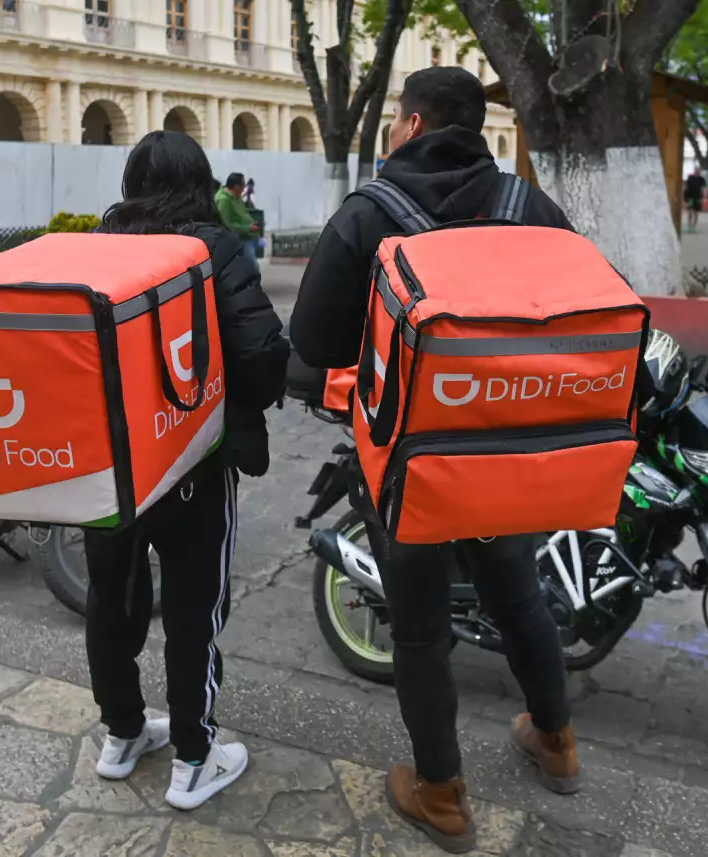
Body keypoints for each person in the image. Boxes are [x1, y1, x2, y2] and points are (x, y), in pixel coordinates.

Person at [290, 66, 577, 854]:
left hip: (413, 461)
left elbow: (311, 347)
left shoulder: (369, 214)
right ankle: (555, 742)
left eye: (393, 121)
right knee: (519, 595)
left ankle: (442, 794)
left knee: (417, 629)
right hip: (511, 452)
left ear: (412, 126)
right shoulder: (531, 207)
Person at [86, 132, 288, 810]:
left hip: (111, 469)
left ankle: (120, 734)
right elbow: (261, 346)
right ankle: (194, 757)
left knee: (112, 601)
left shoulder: (99, 246)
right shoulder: (210, 247)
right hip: (193, 461)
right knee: (193, 610)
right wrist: (240, 406)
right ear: (201, 180)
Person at [215, 173, 262, 264]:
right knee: (252, 266)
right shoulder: (224, 200)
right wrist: (247, 228)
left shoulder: (237, 196)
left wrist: (252, 224)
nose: (245, 187)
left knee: (250, 264)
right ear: (236, 186)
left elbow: (243, 214)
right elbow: (226, 224)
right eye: (243, 185)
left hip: (248, 235)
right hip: (239, 238)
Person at [683, 167, 707, 232]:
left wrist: (704, 197)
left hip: (698, 198)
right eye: (697, 170)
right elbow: (685, 187)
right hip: (690, 197)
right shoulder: (690, 178)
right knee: (690, 212)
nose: (698, 172)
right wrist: (684, 198)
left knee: (696, 212)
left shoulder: (701, 179)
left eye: (699, 171)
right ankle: (689, 225)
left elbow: (703, 188)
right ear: (694, 171)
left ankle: (694, 226)